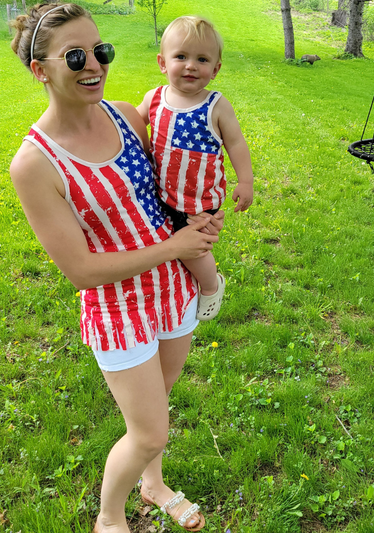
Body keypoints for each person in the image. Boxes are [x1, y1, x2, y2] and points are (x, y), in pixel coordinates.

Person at [9, 4, 224, 532]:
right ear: (40, 70)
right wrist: (176, 247)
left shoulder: (127, 115)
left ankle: (152, 484)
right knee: (150, 432)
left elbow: (170, 186)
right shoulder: (36, 164)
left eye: (100, 52)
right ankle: (109, 517)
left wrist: (203, 212)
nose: (95, 66)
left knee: (156, 408)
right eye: (75, 56)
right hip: (117, 307)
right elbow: (82, 270)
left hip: (171, 290)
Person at [137, 15, 254, 321]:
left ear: (215, 69)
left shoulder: (216, 105)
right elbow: (131, 128)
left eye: (202, 59)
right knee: (167, 240)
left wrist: (246, 182)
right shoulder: (153, 100)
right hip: (162, 193)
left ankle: (210, 285)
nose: (190, 65)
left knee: (197, 249)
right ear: (163, 63)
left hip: (200, 201)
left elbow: (237, 144)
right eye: (181, 57)